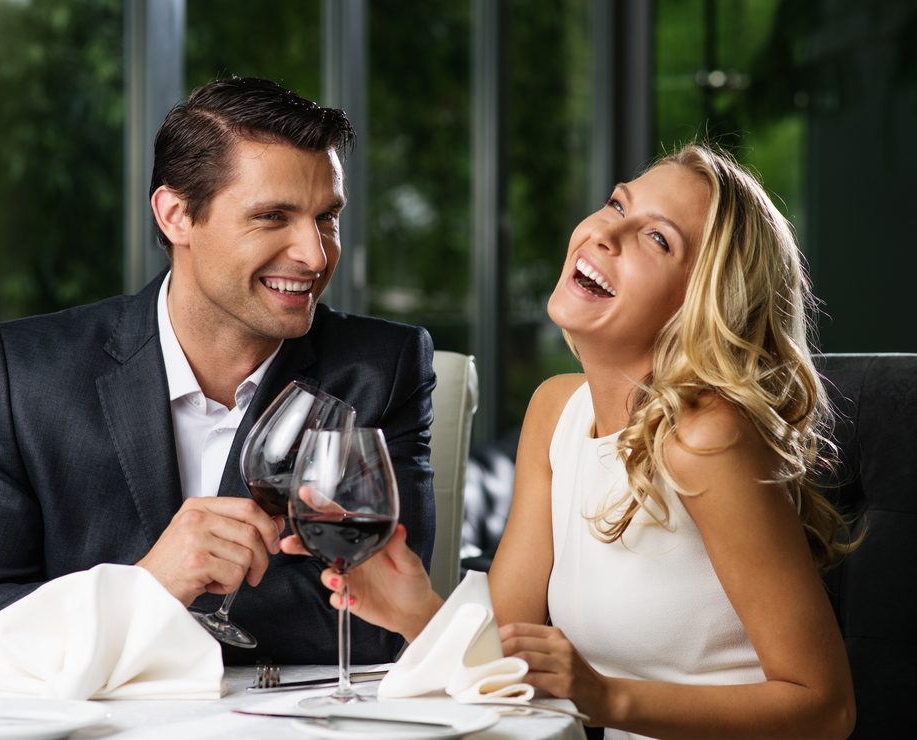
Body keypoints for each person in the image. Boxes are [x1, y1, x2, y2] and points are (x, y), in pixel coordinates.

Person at [284, 144, 857, 739]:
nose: (608, 234)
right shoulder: (556, 410)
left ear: (702, 305)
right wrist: (416, 610)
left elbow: (825, 708)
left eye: (658, 239)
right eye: (617, 204)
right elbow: (506, 662)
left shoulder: (706, 438)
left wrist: (605, 697)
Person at [0, 77, 436, 677]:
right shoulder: (28, 371)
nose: (316, 256)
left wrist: (124, 630)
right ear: (176, 215)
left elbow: (381, 620)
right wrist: (146, 590)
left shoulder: (384, 367)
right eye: (273, 217)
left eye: (327, 218)